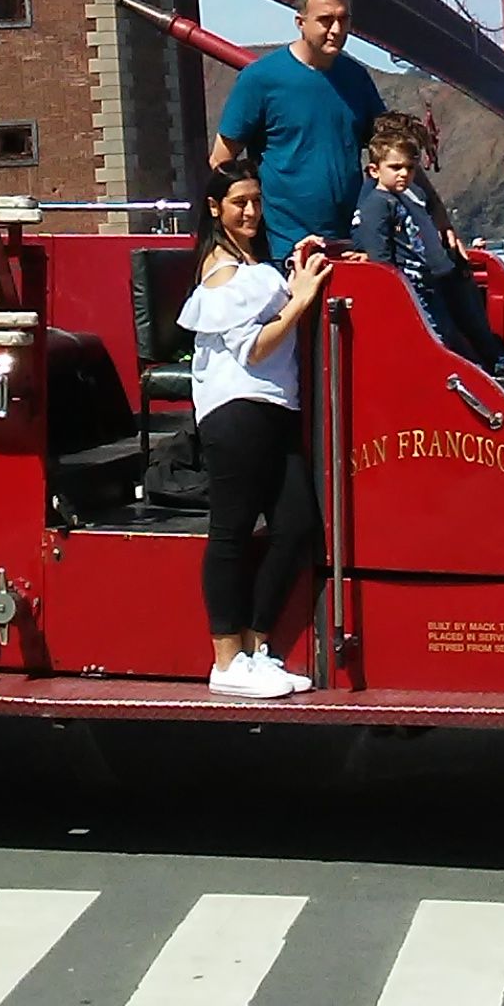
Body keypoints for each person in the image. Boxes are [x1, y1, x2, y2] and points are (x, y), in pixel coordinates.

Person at [178, 162, 327, 698]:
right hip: (236, 410)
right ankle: (225, 660)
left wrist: (293, 269)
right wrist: (302, 300)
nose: (250, 211)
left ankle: (256, 647)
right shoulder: (221, 271)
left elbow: (268, 302)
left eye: (256, 201)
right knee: (232, 532)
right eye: (239, 202)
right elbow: (255, 346)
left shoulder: (249, 263)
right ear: (215, 208)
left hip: (273, 408)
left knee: (296, 523)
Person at [211, 0, 385, 264]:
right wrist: (246, 238)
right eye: (326, 20)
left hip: (350, 247)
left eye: (344, 19)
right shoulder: (261, 79)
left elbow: (392, 150)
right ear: (300, 22)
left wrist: (437, 218)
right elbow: (221, 162)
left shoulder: (357, 78)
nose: (337, 29)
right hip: (285, 249)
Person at [351, 113, 504, 381]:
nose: (407, 170)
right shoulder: (378, 198)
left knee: (461, 330)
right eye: (399, 164)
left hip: (439, 273)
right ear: (377, 167)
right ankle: (484, 378)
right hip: (416, 283)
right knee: (440, 336)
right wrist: (368, 255)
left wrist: (448, 234)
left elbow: (431, 212)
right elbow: (369, 235)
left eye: (412, 163)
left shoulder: (411, 190)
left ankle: (495, 369)